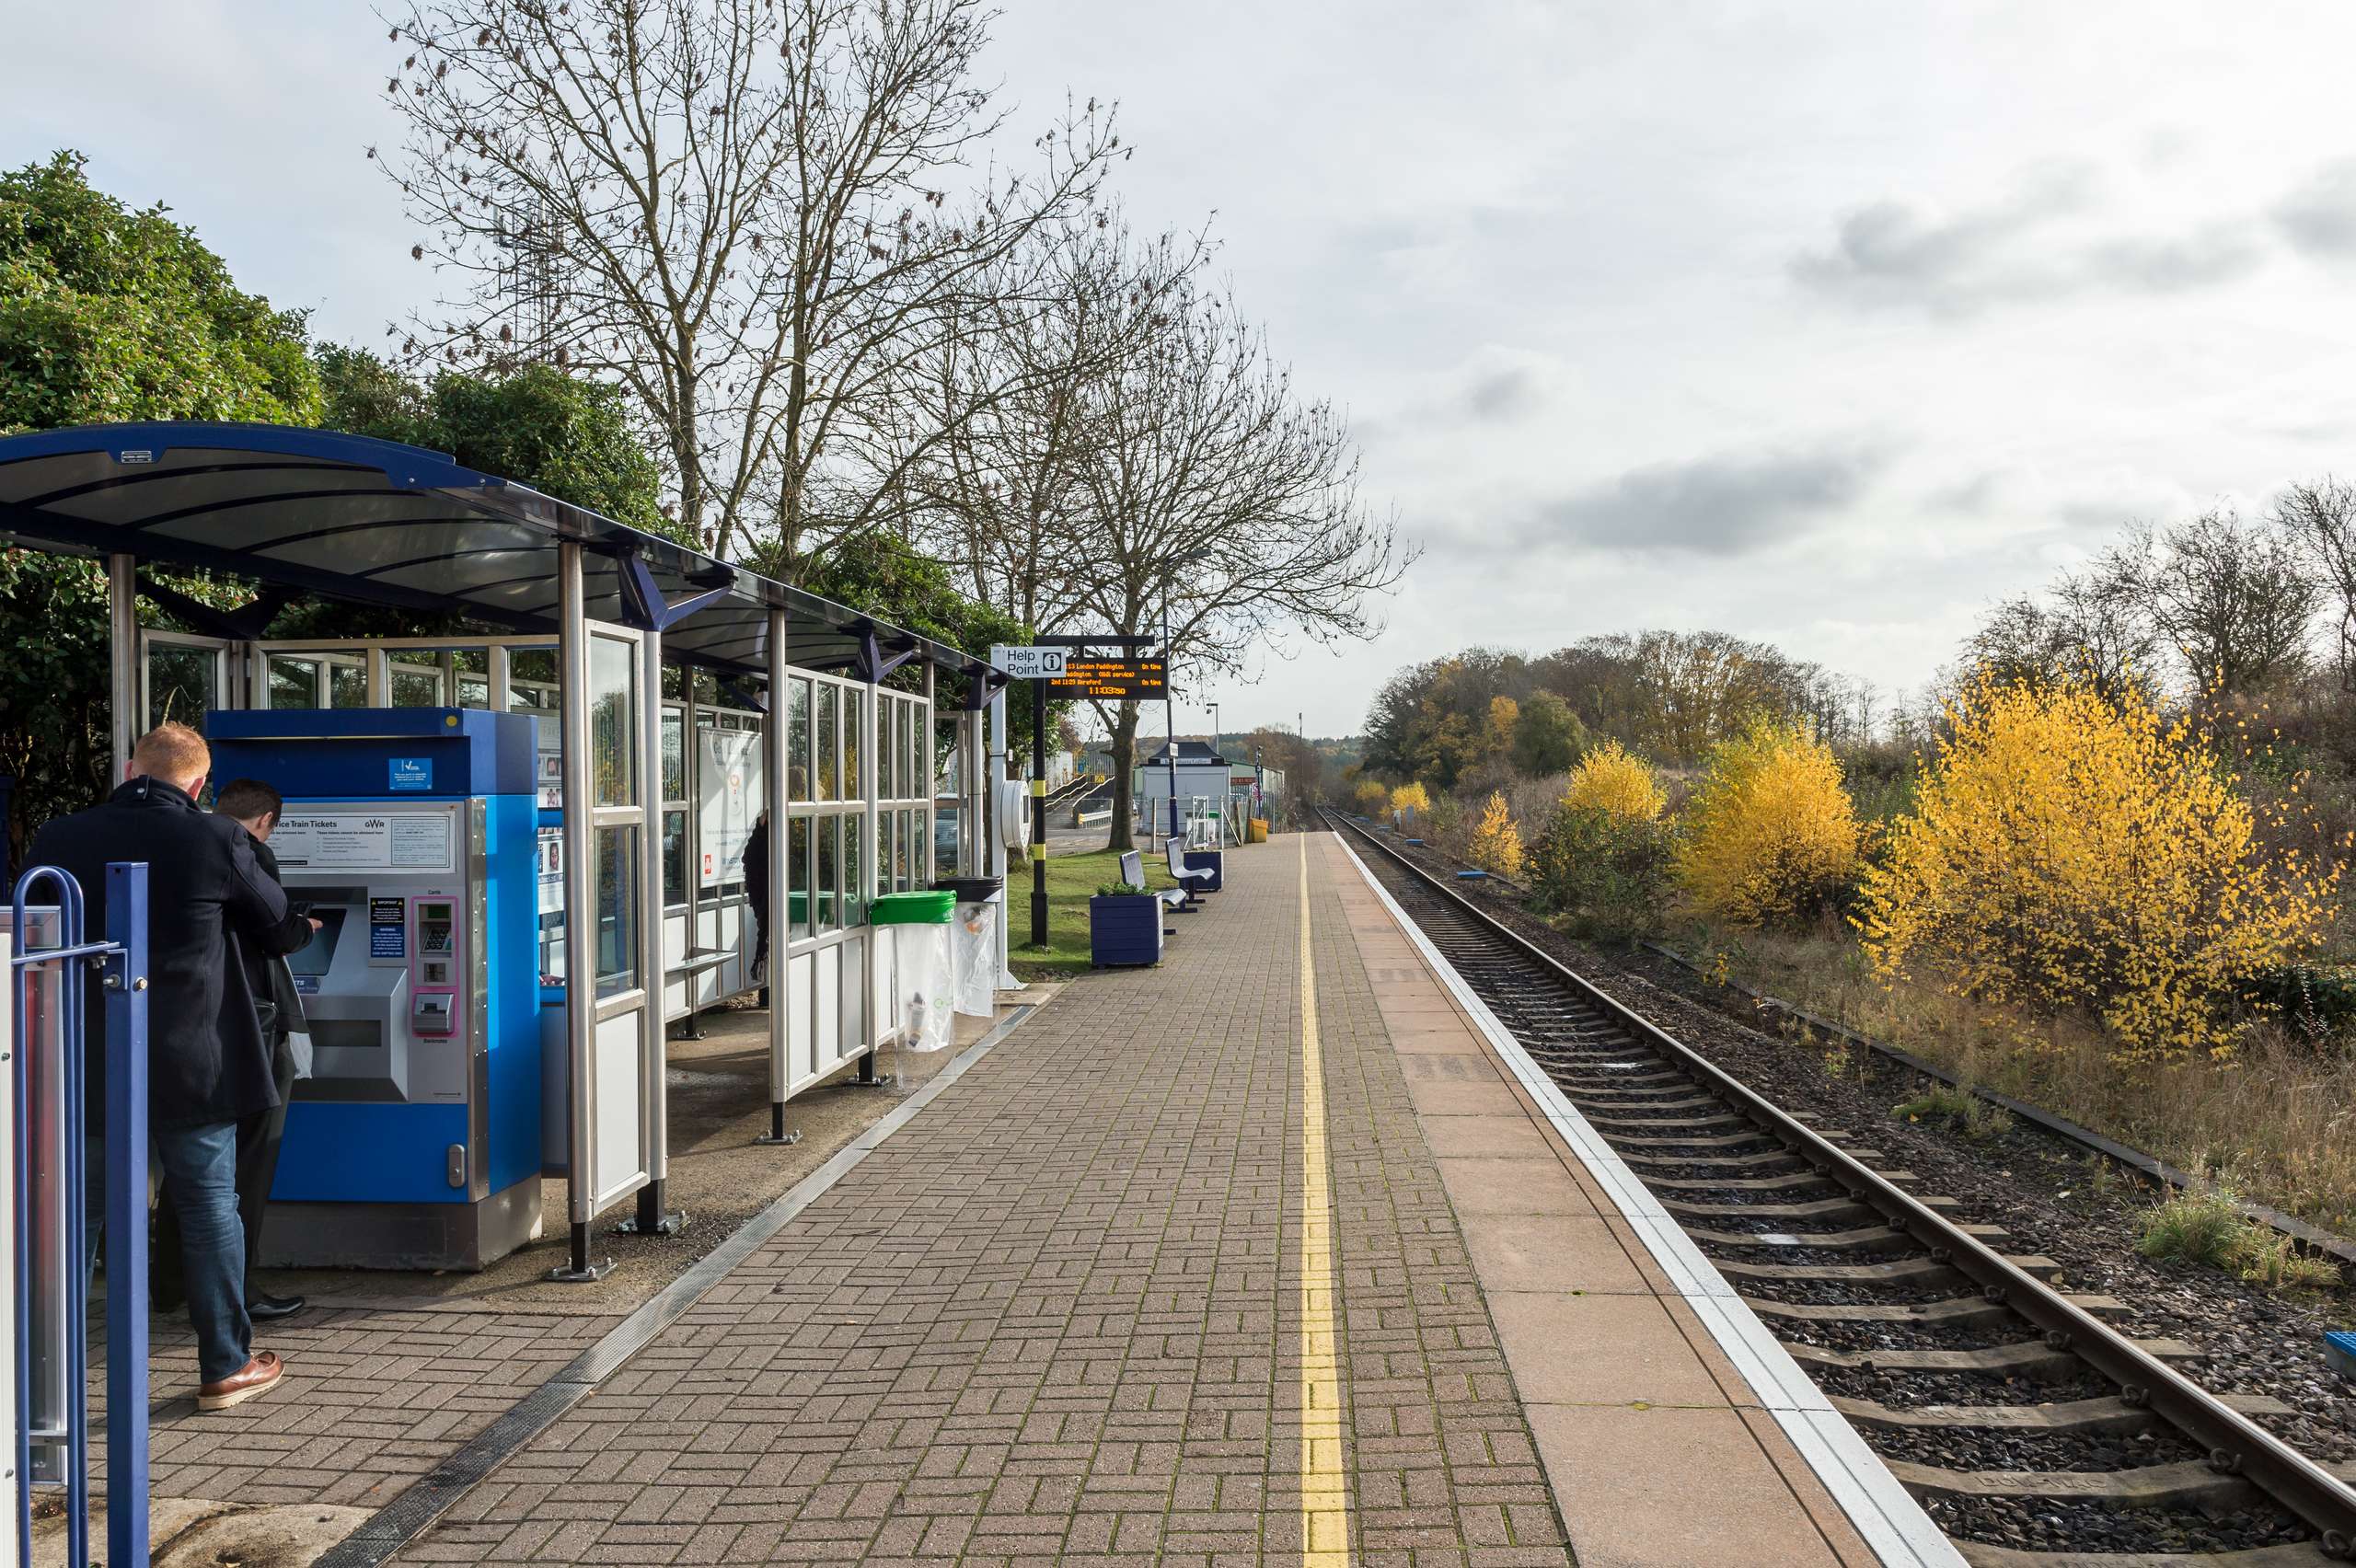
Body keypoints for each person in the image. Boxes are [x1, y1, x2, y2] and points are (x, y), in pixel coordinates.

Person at [28, 722, 295, 1410]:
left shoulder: (61, 837)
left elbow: (34, 930)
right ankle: (225, 1368)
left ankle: (44, 1386)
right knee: (209, 1208)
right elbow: (276, 924)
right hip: (191, 1061)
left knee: (76, 1212)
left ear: (127, 768)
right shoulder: (218, 838)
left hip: (84, 1054)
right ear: (200, 784)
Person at [155, 778, 315, 1322]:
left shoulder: (172, 845)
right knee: (246, 1167)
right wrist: (307, 927)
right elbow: (278, 933)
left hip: (179, 1026)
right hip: (251, 1030)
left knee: (189, 1162)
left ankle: (170, 1285)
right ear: (267, 819)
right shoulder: (248, 851)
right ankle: (236, 1293)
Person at [742, 808, 771, 1009]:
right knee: (768, 942)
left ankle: (767, 993)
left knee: (767, 941)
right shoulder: (764, 837)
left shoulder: (762, 836)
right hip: (768, 901)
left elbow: (749, 861)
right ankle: (767, 993)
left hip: (765, 901)